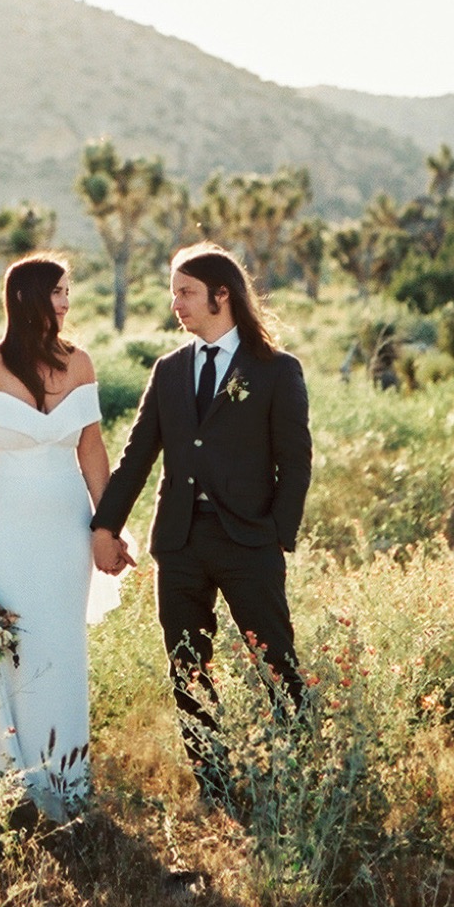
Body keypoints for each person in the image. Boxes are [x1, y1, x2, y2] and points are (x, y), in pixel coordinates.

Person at [90, 245, 311, 805]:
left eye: (185, 291)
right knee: (187, 663)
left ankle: (305, 773)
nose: (176, 303)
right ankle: (215, 784)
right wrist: (105, 526)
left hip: (249, 542)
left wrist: (277, 534)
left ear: (222, 295)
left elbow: (296, 458)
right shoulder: (169, 370)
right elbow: (138, 454)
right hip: (180, 543)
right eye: (174, 291)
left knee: (276, 661)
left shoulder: (276, 370)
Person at [0, 254, 130, 819]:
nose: (66, 301)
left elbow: (92, 449)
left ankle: (66, 782)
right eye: (57, 291)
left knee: (62, 646)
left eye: (69, 290)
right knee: (14, 643)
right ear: (27, 297)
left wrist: (107, 527)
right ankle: (7, 781)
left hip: (66, 527)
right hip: (8, 524)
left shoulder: (80, 363)